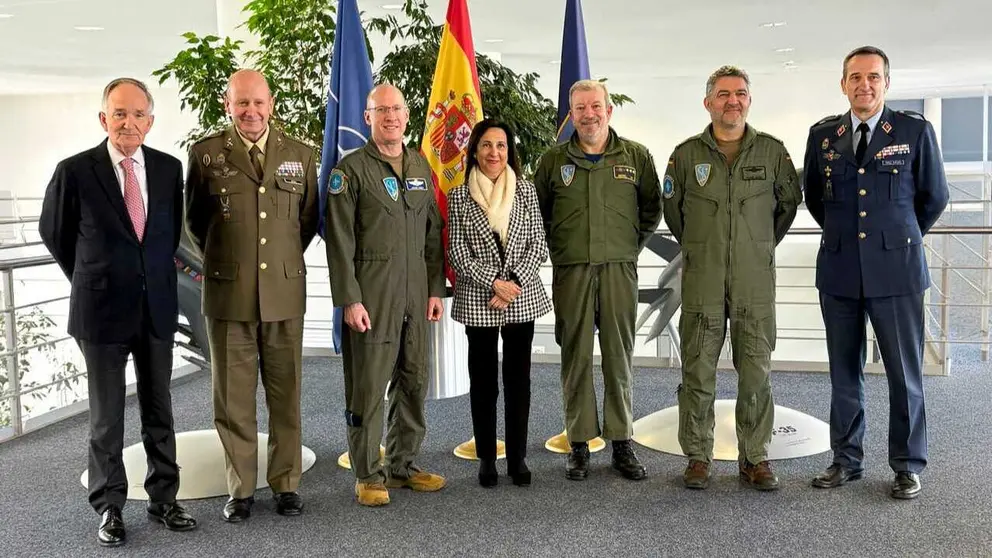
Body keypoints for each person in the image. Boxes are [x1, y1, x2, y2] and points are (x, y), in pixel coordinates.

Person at [39, 77, 197, 547]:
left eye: (138, 114)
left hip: (155, 310)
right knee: (107, 419)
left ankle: (164, 499)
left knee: (159, 407)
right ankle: (109, 507)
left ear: (151, 120)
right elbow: (57, 234)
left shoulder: (169, 170)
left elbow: (168, 240)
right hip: (101, 312)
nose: (129, 123)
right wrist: (94, 276)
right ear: (104, 118)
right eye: (119, 114)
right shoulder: (75, 171)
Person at [804, 46, 948, 500]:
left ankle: (906, 464)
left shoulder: (913, 130)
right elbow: (815, 198)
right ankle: (846, 459)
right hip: (841, 270)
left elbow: (934, 197)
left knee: (904, 374)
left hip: (897, 272)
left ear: (886, 82)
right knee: (844, 372)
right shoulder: (823, 135)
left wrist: (898, 237)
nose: (863, 85)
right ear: (842, 83)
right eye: (854, 77)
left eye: (872, 77)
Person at [185, 69, 319, 521]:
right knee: (233, 398)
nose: (251, 111)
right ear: (228, 105)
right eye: (242, 103)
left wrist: (274, 263)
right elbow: (196, 222)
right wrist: (230, 261)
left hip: (283, 292)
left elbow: (304, 224)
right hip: (229, 295)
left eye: (258, 103)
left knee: (286, 393)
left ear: (271, 103)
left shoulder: (301, 156)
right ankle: (240, 489)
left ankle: (286, 484)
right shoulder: (205, 156)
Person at [662, 66, 802, 491]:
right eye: (723, 94)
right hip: (702, 281)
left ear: (749, 100)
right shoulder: (686, 156)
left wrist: (755, 248)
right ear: (708, 102)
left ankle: (755, 458)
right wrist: (705, 249)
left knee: (756, 373)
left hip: (754, 282)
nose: (732, 101)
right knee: (697, 372)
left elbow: (787, 208)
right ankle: (698, 457)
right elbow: (674, 214)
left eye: (740, 93)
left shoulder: (772, 153)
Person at [324, 83, 447, 507]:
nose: (390, 116)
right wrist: (350, 299)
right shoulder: (351, 171)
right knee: (369, 386)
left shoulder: (419, 165)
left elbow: (432, 234)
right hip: (372, 295)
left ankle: (403, 465)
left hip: (416, 293)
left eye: (396, 109)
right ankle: (367, 473)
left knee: (413, 381)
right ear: (367, 117)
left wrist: (434, 289)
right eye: (381, 110)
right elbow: (339, 241)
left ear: (407, 116)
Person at [534, 79, 663, 482]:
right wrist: (563, 252)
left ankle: (621, 441)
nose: (588, 115)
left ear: (608, 110)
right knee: (575, 356)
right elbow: (541, 215)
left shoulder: (636, 157)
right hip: (571, 271)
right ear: (571, 115)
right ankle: (579, 443)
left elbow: (651, 211)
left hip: (619, 270)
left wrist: (625, 248)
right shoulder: (553, 162)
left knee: (618, 356)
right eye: (580, 109)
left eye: (596, 106)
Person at [447, 119, 553, 488]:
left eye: (502, 146)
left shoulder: (525, 190)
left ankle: (519, 459)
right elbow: (457, 253)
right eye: (487, 145)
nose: (495, 153)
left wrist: (512, 284)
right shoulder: (460, 196)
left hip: (521, 298)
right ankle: (487, 459)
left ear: (510, 150)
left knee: (518, 381)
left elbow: (538, 243)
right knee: (483, 383)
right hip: (479, 299)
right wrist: (493, 283)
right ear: (475, 150)